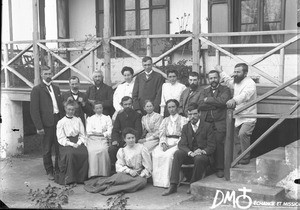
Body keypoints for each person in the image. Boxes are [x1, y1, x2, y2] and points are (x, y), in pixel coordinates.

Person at [162, 103, 216, 196]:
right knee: (178, 153)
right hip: (191, 154)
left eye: (195, 114)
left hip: (203, 155)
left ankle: (193, 184)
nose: (192, 117)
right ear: (187, 115)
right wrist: (189, 152)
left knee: (199, 158)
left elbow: (212, 145)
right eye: (190, 114)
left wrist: (202, 151)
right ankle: (173, 185)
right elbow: (181, 144)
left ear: (199, 114)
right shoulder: (186, 127)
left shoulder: (207, 126)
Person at [84, 127, 152, 195]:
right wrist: (129, 171)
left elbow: (148, 166)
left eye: (133, 137)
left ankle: (113, 189)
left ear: (135, 138)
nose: (131, 140)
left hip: (138, 175)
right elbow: (119, 166)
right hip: (126, 174)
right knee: (117, 178)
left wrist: (142, 174)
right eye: (128, 138)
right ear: (124, 139)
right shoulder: (122, 151)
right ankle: (104, 185)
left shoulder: (142, 148)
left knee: (141, 182)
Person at [215, 64, 257, 165]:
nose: (235, 74)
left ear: (245, 73)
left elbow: (245, 95)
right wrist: (221, 71)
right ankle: (239, 158)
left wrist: (234, 100)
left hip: (249, 116)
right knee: (237, 138)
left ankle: (245, 157)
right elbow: (229, 82)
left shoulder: (250, 83)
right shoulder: (237, 80)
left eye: (238, 72)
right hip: (238, 115)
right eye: (235, 71)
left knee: (243, 134)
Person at [30, 66, 64, 180]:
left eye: (50, 73)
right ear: (41, 75)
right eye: (46, 73)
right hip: (46, 123)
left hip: (58, 121)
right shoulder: (37, 89)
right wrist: (39, 126)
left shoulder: (56, 88)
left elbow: (60, 106)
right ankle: (49, 171)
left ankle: (58, 170)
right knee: (47, 148)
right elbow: (34, 110)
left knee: (59, 147)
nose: (48, 75)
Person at [199, 70, 231, 178]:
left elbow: (223, 102)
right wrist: (216, 104)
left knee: (218, 144)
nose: (213, 80)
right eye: (211, 78)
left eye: (215, 78)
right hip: (206, 122)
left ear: (219, 78)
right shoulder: (204, 91)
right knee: (204, 143)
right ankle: (209, 167)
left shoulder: (225, 89)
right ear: (209, 79)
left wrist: (208, 100)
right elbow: (200, 105)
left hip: (219, 122)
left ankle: (220, 168)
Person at [152, 99, 188, 188]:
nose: (171, 109)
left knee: (168, 156)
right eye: (169, 107)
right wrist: (163, 143)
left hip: (177, 143)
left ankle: (170, 182)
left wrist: (172, 145)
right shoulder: (165, 120)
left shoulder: (183, 120)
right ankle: (159, 182)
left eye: (173, 107)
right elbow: (162, 133)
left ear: (177, 108)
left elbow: (184, 135)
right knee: (156, 154)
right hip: (166, 141)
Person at [55, 100, 88, 185]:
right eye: (69, 109)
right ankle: (70, 179)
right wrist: (72, 144)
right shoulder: (61, 122)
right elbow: (61, 138)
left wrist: (79, 142)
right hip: (66, 143)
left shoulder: (78, 120)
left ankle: (81, 178)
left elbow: (82, 134)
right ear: (65, 109)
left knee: (85, 153)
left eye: (72, 109)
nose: (71, 111)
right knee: (70, 154)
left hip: (78, 141)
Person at [108, 96, 143, 174]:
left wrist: (130, 141)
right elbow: (115, 130)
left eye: (129, 104)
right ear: (122, 105)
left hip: (132, 140)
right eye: (125, 104)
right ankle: (114, 170)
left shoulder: (137, 115)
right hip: (121, 139)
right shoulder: (119, 115)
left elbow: (138, 131)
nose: (128, 106)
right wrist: (115, 140)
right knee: (112, 149)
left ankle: (131, 170)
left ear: (132, 104)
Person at [86, 101, 113, 178]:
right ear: (94, 110)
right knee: (92, 151)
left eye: (100, 108)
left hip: (103, 139)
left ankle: (103, 173)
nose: (99, 110)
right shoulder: (90, 119)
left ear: (102, 108)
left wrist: (101, 134)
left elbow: (109, 131)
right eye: (97, 108)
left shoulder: (107, 118)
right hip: (92, 139)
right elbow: (89, 131)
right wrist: (100, 133)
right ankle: (93, 173)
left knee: (103, 150)